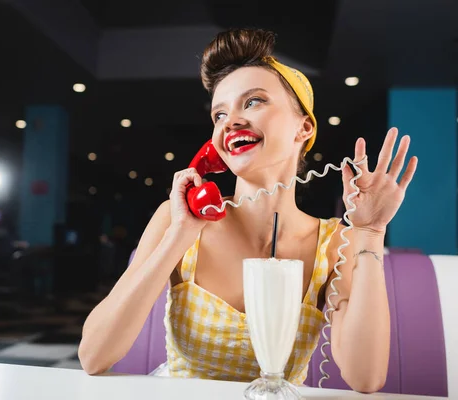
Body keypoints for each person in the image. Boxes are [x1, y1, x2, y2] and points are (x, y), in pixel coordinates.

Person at [78, 28, 417, 393]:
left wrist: (369, 233)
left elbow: (366, 377)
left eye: (253, 102)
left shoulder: (335, 242)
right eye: (219, 114)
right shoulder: (175, 220)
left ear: (303, 127)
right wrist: (179, 235)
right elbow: (94, 355)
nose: (230, 122)